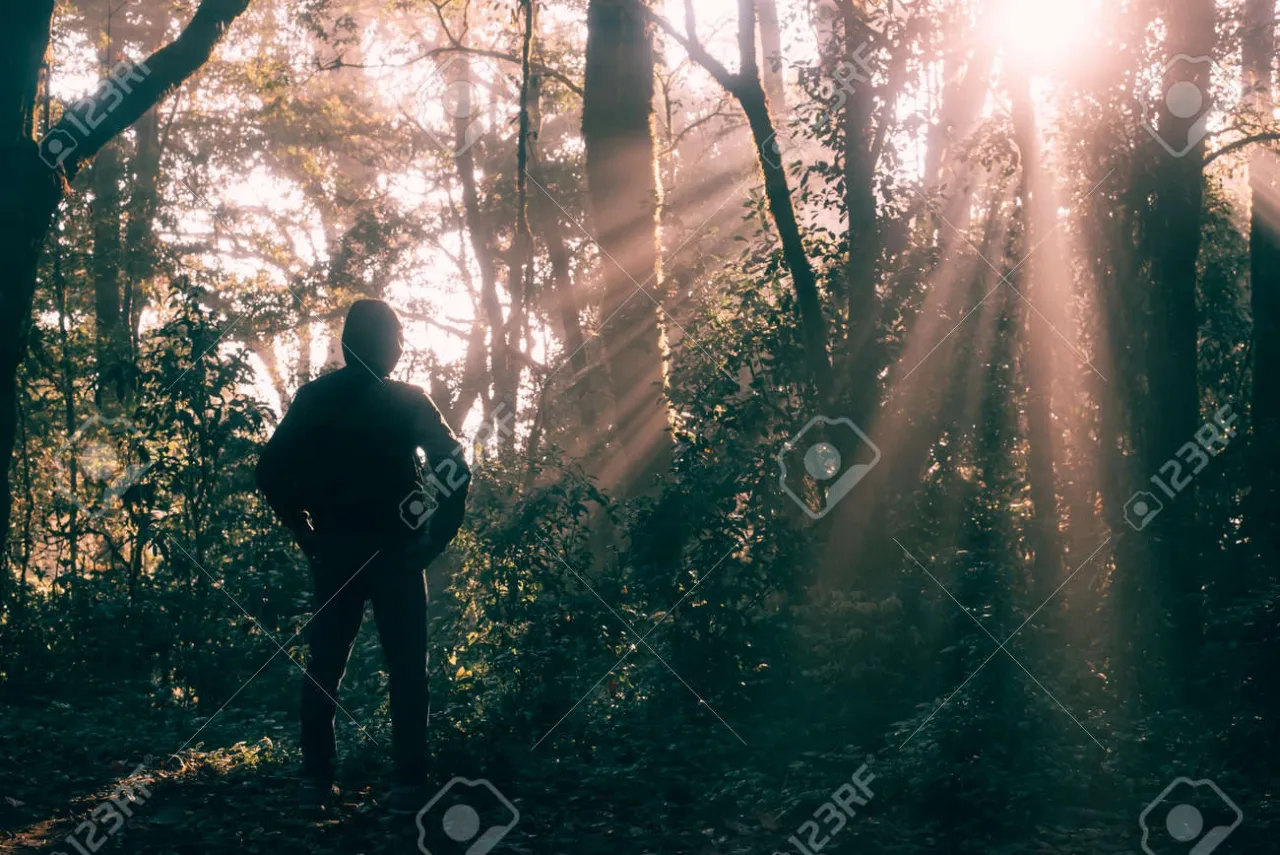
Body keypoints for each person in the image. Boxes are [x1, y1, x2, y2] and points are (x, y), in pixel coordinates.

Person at [255, 299, 470, 813]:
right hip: (397, 552)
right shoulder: (408, 400)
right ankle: (408, 784)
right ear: (376, 342)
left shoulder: (315, 398)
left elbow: (269, 472)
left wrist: (307, 535)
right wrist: (433, 540)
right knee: (405, 668)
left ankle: (314, 781)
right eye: (397, 336)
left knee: (325, 664)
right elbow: (454, 466)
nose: (402, 345)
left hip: (336, 550)